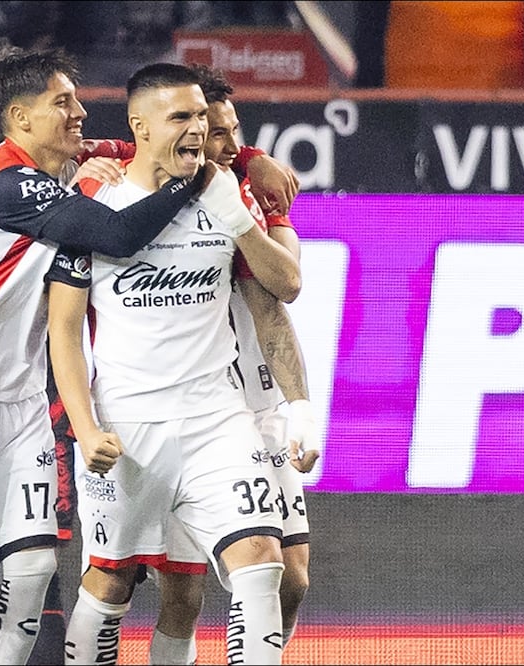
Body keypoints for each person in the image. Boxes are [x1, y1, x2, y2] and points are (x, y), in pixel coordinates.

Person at [0, 48, 216, 666]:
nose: (81, 113)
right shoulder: (11, 184)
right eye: (64, 103)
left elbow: (145, 146)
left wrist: (244, 159)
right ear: (21, 117)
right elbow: (115, 233)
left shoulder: (59, 164)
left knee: (31, 567)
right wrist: (195, 182)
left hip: (24, 399)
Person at [49, 62, 300, 666]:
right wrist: (84, 427)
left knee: (262, 563)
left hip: (217, 419)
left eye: (201, 118)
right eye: (181, 117)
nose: (197, 129)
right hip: (128, 426)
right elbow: (62, 327)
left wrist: (237, 211)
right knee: (109, 586)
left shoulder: (226, 189)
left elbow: (283, 289)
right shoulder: (94, 195)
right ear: (139, 126)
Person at [146, 64, 321, 665]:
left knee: (289, 579)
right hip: (187, 408)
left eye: (231, 131)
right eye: (209, 130)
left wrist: (247, 175)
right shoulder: (146, 193)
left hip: (258, 404)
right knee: (184, 595)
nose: (221, 143)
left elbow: (286, 288)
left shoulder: (253, 195)